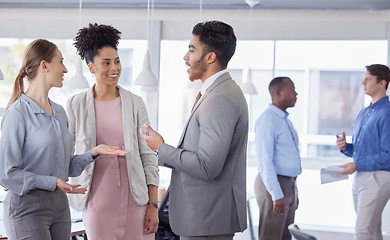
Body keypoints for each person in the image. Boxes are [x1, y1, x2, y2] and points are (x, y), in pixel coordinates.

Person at [0, 39, 128, 240]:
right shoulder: (17, 113)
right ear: (44, 65)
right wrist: (52, 182)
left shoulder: (59, 112)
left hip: (60, 206)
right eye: (60, 62)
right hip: (26, 207)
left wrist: (93, 152)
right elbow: (6, 174)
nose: (66, 69)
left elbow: (66, 168)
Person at [141, 20, 248, 240]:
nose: (185, 57)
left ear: (210, 57)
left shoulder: (220, 98)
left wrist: (161, 148)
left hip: (207, 220)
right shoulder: (218, 92)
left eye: (191, 49)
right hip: (205, 218)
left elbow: (207, 165)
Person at [67, 23, 159, 240]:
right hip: (97, 202)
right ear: (91, 68)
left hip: (136, 201)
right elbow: (66, 158)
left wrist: (153, 204)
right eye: (106, 63)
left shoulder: (136, 103)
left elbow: (148, 155)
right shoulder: (75, 105)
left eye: (117, 61)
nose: (114, 68)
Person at [336, 64, 390, 240]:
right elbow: (362, 151)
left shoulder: (389, 113)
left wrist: (356, 164)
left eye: (368, 78)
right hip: (362, 176)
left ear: (382, 83)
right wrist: (346, 147)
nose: (363, 82)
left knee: (362, 232)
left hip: (378, 177)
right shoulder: (364, 113)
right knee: (372, 230)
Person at [253, 77, 301, 240]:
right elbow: (265, 161)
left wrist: (294, 192)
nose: (296, 93)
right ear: (278, 93)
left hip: (288, 184)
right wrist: (276, 194)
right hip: (274, 185)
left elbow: (289, 160)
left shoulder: (285, 121)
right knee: (271, 237)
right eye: (292, 89)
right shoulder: (267, 120)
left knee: (286, 236)